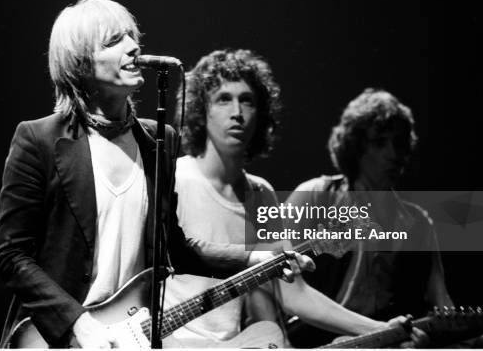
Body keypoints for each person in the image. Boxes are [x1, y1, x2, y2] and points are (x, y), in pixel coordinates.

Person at [0, 0, 311, 349]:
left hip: (130, 338)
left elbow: (172, 246)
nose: (133, 47)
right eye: (114, 41)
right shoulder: (39, 139)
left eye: (132, 37)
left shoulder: (158, 141)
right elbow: (10, 255)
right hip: (55, 337)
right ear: (79, 61)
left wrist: (253, 258)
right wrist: (77, 323)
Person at [162, 51, 416, 348]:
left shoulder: (261, 195)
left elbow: (292, 294)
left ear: (261, 113)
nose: (237, 112)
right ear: (200, 110)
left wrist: (380, 329)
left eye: (247, 100)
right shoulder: (172, 178)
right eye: (223, 99)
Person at [285, 88, 453, 347]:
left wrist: (472, 338)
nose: (392, 154)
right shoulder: (315, 196)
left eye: (399, 143)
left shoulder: (418, 222)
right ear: (356, 147)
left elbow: (441, 303)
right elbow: (276, 285)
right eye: (380, 143)